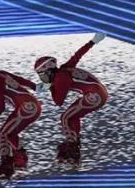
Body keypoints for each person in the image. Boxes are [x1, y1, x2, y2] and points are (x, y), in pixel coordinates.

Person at [34, 32, 109, 164]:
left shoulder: (60, 78)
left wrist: (50, 87)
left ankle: (72, 149)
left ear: (48, 71)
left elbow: (58, 101)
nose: (42, 78)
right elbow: (78, 55)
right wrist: (93, 41)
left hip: (94, 96)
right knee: (73, 116)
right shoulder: (65, 68)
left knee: (65, 117)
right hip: (100, 92)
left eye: (42, 75)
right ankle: (74, 143)